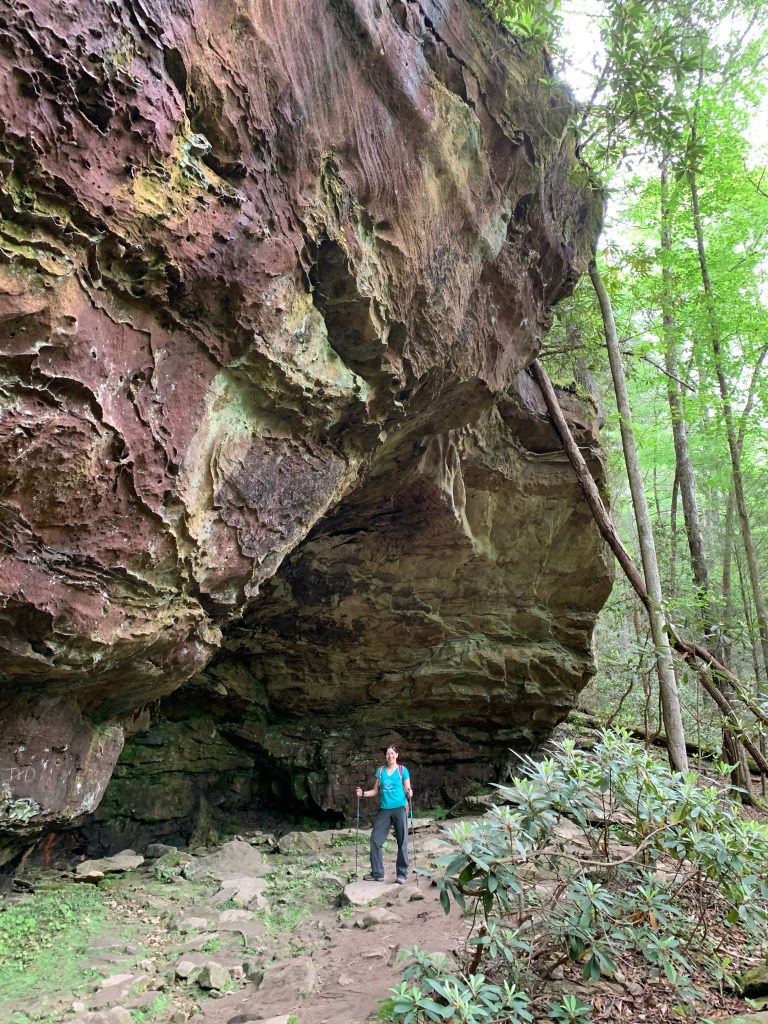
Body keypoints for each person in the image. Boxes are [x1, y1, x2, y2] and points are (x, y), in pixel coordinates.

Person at [356, 745, 413, 884]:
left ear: (397, 755)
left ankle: (402, 874)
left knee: (402, 841)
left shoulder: (402, 770)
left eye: (392, 753)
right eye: (388, 754)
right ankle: (378, 873)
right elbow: (375, 791)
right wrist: (362, 793)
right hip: (385, 809)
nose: (390, 756)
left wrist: (410, 792)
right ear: (385, 756)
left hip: (400, 808)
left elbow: (408, 789)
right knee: (375, 840)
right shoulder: (380, 771)